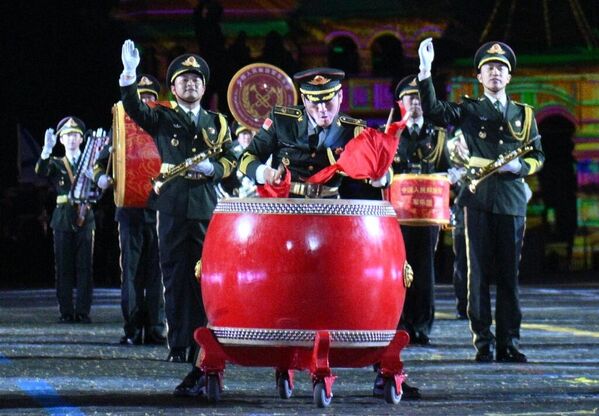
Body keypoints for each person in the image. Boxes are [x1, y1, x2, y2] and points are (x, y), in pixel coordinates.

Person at [239, 67, 420, 399]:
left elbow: (380, 159)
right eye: (314, 103)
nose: (322, 110)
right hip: (286, 217)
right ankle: (286, 350)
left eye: (329, 103)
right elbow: (245, 158)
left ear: (340, 98)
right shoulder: (282, 121)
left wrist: (383, 178)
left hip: (333, 218)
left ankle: (370, 359)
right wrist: (260, 170)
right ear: (304, 101)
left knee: (345, 286)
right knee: (283, 287)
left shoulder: (354, 130)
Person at [119, 40, 237, 395]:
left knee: (204, 279)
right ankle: (180, 342)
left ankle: (203, 343)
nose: (191, 84)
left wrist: (212, 168)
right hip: (171, 205)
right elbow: (133, 108)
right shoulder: (163, 116)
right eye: (184, 80)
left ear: (204, 86)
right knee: (173, 275)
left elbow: (230, 161)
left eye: (197, 80)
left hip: (204, 205)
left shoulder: (217, 122)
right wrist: (129, 76)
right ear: (173, 88)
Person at [417, 38, 544, 362]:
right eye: (489, 68)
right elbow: (434, 111)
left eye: (501, 68)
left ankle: (509, 343)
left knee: (508, 276)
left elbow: (538, 156)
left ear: (509, 76)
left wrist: (522, 166)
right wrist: (426, 71)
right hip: (478, 198)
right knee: (477, 275)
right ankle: (484, 342)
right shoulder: (471, 109)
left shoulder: (524, 115)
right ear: (480, 76)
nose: (496, 73)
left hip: (512, 200)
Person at [94, 74, 167, 346]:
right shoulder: (119, 130)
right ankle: (133, 328)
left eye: (150, 97)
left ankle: (157, 327)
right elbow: (100, 163)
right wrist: (101, 177)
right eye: (141, 96)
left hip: (159, 210)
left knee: (157, 272)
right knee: (132, 273)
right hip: (129, 212)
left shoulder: (164, 128)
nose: (146, 101)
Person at [392, 74, 448, 346]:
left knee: (425, 271)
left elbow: (447, 171)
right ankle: (401, 323)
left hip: (426, 216)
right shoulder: (392, 135)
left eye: (418, 97)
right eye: (409, 98)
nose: (414, 102)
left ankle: (422, 325)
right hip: (398, 216)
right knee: (399, 271)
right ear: (401, 103)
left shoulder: (438, 137)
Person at [35, 116, 94, 324]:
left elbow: (102, 183)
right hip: (62, 216)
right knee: (64, 265)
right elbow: (41, 172)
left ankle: (83, 310)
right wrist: (45, 150)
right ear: (61, 140)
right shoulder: (57, 163)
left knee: (85, 265)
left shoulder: (90, 163)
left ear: (81, 139)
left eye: (75, 135)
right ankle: (66, 310)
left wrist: (95, 177)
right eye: (67, 136)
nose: (71, 139)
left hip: (85, 215)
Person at [215, 122, 257, 198]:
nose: (246, 137)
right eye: (243, 134)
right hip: (239, 195)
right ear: (239, 139)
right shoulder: (232, 156)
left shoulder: (260, 151)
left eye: (248, 134)